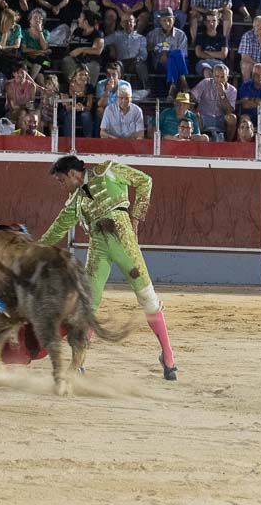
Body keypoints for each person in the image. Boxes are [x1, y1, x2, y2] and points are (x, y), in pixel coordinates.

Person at [40, 154, 177, 380]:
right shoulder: (78, 199)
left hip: (120, 243)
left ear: (73, 174)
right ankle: (81, 361)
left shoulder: (107, 170)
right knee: (93, 304)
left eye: (61, 180)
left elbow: (145, 181)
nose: (62, 186)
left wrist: (136, 218)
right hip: (107, 247)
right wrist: (35, 247)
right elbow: (56, 230)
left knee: (141, 299)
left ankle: (169, 358)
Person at [191, 63, 238, 141]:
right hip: (204, 116)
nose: (219, 80)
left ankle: (229, 144)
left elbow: (229, 111)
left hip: (221, 118)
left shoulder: (232, 90)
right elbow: (192, 97)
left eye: (222, 77)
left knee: (232, 118)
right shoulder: (205, 83)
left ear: (227, 78)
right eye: (216, 76)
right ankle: (198, 142)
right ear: (213, 76)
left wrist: (222, 94)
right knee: (195, 116)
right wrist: (194, 110)